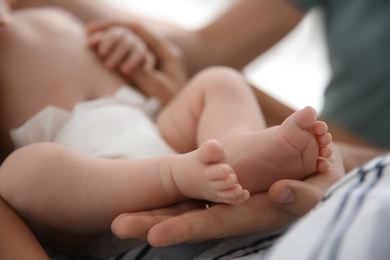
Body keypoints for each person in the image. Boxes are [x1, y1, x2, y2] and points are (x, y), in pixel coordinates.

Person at [20, 0, 388, 247]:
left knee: (220, 81)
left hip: (152, 122)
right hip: (88, 170)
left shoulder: (41, 16)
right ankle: (178, 175)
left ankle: (236, 148)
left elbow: (162, 51)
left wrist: (126, 43)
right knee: (30, 172)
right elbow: (206, 43)